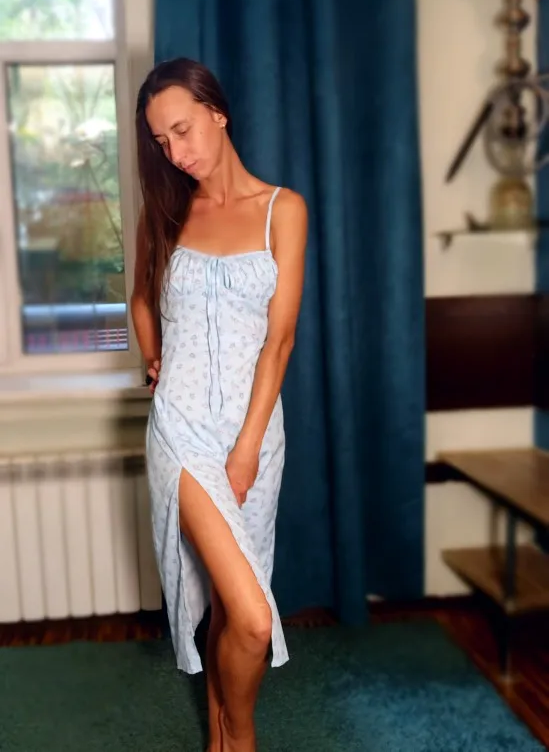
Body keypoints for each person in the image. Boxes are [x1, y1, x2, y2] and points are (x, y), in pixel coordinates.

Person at [131, 57, 307, 752]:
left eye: (182, 130)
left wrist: (247, 448)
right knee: (255, 618)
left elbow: (279, 342)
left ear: (217, 111)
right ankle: (241, 734)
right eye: (161, 141)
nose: (176, 152)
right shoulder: (166, 212)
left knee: (234, 608)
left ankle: (217, 740)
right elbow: (140, 298)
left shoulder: (282, 210)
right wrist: (154, 359)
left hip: (255, 434)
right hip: (180, 432)